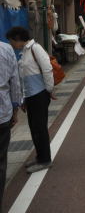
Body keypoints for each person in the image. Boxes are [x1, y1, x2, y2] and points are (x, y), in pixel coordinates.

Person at [6, 26, 54, 173]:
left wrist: (49, 90)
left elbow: (47, 68)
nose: (11, 44)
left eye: (11, 40)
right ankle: (40, 157)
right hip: (31, 96)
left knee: (40, 127)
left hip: (40, 94)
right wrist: (23, 98)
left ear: (18, 38)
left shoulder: (35, 48)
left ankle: (45, 159)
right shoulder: (24, 51)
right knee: (34, 128)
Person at [0, 40, 21, 211]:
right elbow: (15, 82)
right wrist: (16, 108)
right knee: (1, 161)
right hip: (2, 113)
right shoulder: (6, 49)